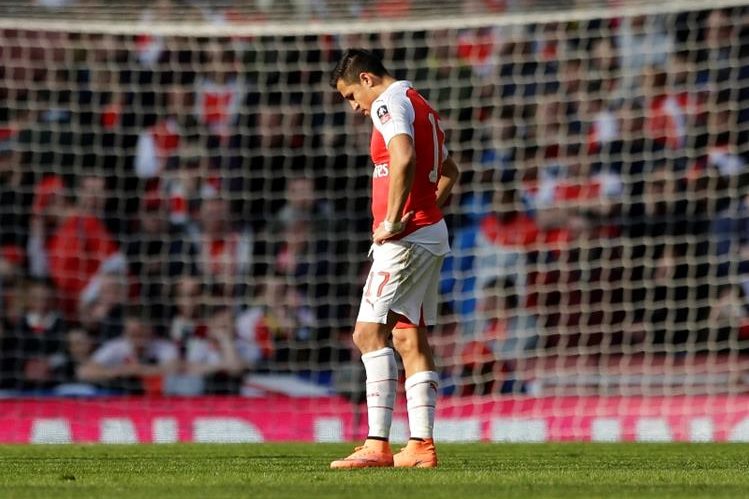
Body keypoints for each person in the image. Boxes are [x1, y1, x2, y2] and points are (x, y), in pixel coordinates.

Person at [328, 48, 459, 469]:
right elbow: (450, 170)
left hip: (406, 239)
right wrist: (425, 213)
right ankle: (421, 447)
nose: (354, 107)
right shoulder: (419, 102)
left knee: (368, 334)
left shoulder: (388, 102)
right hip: (427, 233)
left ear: (366, 79)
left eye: (351, 96)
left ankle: (376, 444)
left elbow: (403, 156)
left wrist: (395, 219)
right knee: (407, 336)